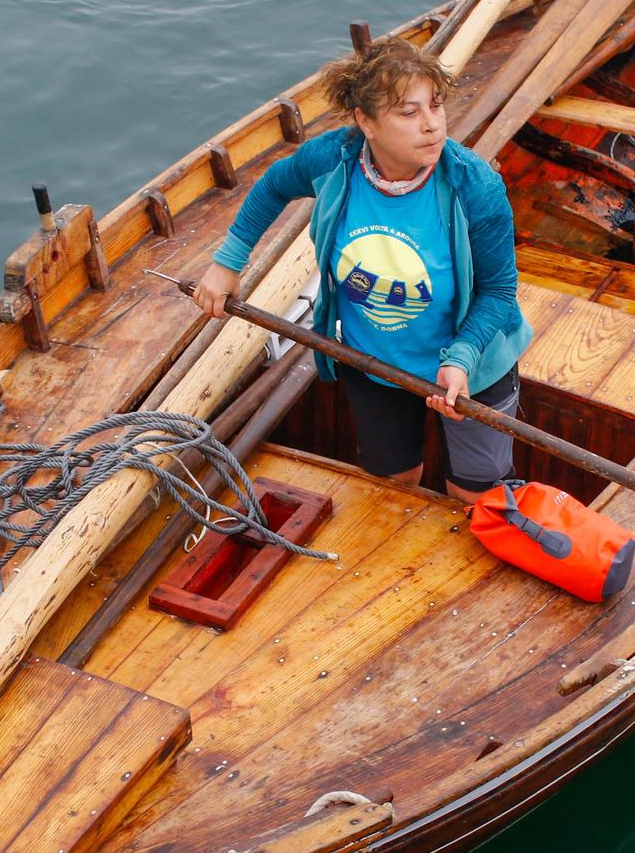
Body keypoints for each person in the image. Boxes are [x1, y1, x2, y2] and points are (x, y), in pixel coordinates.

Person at [194, 37, 532, 503]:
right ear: (365, 122)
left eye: (436, 106)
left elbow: (498, 290)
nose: (432, 125)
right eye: (408, 113)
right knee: (392, 485)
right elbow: (273, 185)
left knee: (473, 497)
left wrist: (460, 359)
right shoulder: (333, 160)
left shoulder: (475, 187)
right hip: (374, 360)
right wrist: (227, 263)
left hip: (474, 365)